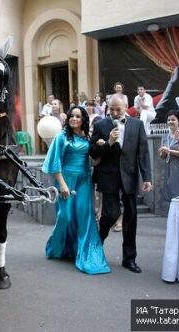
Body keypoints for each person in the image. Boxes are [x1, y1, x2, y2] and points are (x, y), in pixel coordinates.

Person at [42, 106, 110, 275]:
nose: (74, 119)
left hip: (84, 181)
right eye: (71, 116)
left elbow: (94, 162)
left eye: (78, 116)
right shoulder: (62, 136)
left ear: (83, 120)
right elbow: (55, 161)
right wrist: (62, 184)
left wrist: (103, 146)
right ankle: (56, 247)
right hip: (66, 180)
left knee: (84, 217)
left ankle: (85, 254)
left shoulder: (88, 138)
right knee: (65, 216)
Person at [90, 94, 152, 273]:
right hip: (107, 176)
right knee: (111, 214)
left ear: (126, 107)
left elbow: (143, 153)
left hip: (130, 177)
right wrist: (107, 142)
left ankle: (129, 259)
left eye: (119, 109)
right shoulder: (101, 125)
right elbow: (93, 151)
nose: (115, 113)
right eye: (112, 109)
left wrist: (146, 177)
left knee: (131, 218)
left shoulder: (137, 125)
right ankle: (97, 244)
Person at [158, 110, 179, 200]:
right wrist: (163, 152)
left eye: (173, 120)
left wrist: (168, 150)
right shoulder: (165, 136)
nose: (170, 122)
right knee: (170, 193)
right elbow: (162, 157)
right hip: (168, 169)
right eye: (168, 120)